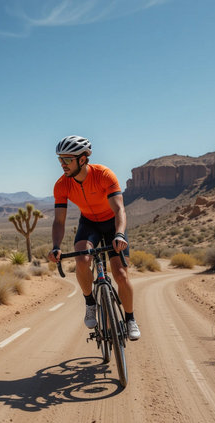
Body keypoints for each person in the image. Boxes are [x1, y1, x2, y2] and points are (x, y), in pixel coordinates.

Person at [48, 135, 140, 340]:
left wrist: (118, 234)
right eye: (60, 159)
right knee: (82, 259)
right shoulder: (61, 185)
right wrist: (56, 246)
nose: (62, 164)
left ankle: (130, 318)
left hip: (112, 224)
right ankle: (90, 302)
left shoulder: (104, 175)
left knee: (121, 275)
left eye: (67, 159)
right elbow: (59, 221)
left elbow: (119, 210)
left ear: (82, 159)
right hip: (89, 224)